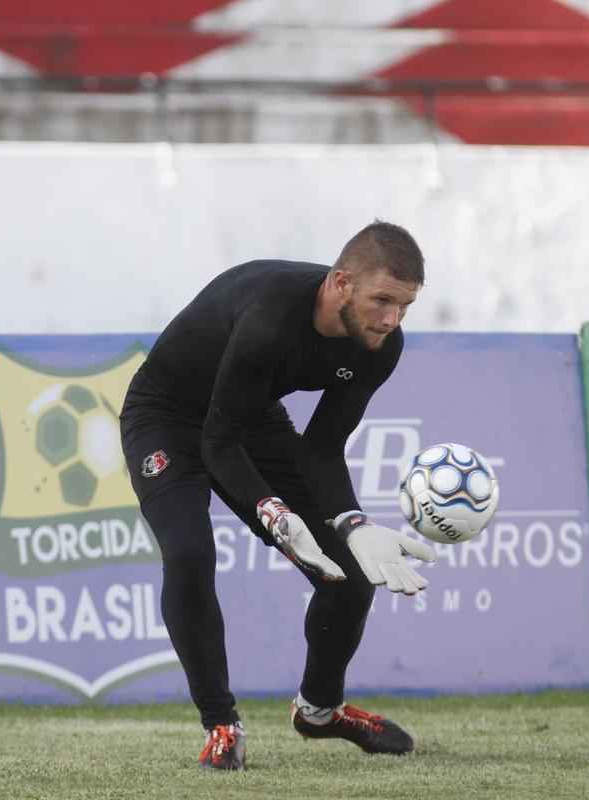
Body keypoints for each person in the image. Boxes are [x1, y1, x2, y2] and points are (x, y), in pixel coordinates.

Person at [119, 221, 437, 771]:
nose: (391, 320)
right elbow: (216, 444)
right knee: (189, 553)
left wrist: (353, 524)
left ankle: (320, 711)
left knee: (352, 573)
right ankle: (221, 724)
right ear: (341, 283)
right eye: (382, 301)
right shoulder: (270, 318)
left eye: (405, 306)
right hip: (166, 417)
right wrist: (274, 512)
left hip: (248, 415)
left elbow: (322, 450)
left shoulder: (381, 346)